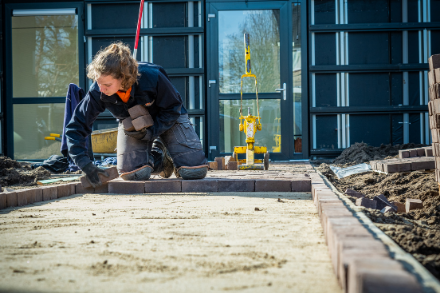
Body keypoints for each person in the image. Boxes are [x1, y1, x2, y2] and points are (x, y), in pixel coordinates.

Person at [65, 42, 208, 187]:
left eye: (107, 85)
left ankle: (173, 152)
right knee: (134, 174)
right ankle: (160, 157)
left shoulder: (152, 76)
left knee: (195, 172)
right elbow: (75, 127)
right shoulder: (98, 91)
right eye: (98, 82)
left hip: (169, 118)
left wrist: (152, 132)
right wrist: (85, 164)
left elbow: (173, 107)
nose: (101, 89)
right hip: (135, 126)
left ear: (122, 77)